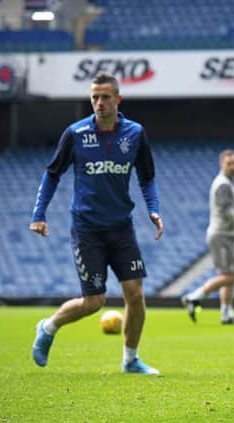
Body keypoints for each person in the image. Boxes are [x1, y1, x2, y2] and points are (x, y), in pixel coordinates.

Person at [29, 73, 164, 375]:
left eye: (105, 97)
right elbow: (52, 174)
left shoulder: (135, 134)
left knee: (136, 294)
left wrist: (153, 209)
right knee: (94, 302)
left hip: (121, 227)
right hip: (87, 229)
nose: (99, 103)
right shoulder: (75, 134)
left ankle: (130, 359)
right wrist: (39, 214)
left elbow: (147, 176)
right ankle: (49, 327)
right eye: (94, 97)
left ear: (118, 99)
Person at [181, 149, 234, 324]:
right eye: (229, 163)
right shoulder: (223, 184)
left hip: (225, 236)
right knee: (229, 277)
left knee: (228, 274)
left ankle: (226, 313)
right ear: (222, 164)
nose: (232, 167)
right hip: (221, 235)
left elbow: (232, 207)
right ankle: (193, 297)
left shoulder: (228, 184)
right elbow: (228, 212)